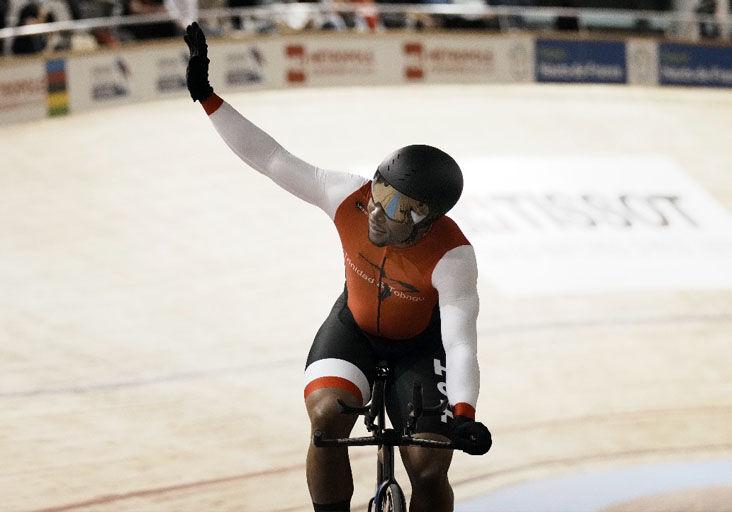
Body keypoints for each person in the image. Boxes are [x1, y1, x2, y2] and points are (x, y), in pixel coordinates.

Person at [183, 22, 491, 512]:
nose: (375, 209)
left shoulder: (453, 258)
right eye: (379, 190)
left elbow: (458, 341)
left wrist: (464, 412)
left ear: (424, 220)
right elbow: (271, 159)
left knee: (428, 467)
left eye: (394, 205)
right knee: (326, 420)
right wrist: (207, 97)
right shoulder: (346, 195)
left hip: (420, 346)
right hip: (354, 326)